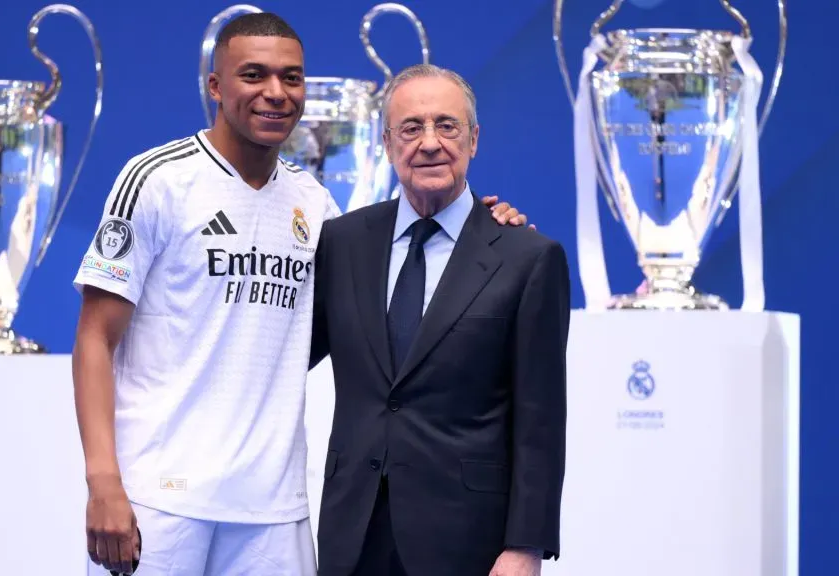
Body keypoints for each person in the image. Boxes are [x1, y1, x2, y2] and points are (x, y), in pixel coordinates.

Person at [70, 13, 532, 576]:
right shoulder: (156, 180)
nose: (275, 93)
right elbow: (95, 338)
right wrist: (103, 484)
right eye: (254, 75)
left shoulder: (316, 207)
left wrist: (482, 227)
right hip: (160, 499)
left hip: (274, 511)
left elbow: (367, 315)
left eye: (292, 78)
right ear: (215, 86)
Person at [310, 63, 570, 576]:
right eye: (411, 128)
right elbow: (284, 353)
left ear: (474, 139)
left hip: (469, 540)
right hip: (353, 533)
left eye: (446, 126)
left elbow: (540, 419)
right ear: (386, 142)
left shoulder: (527, 257)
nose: (429, 143)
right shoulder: (341, 242)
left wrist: (527, 546)